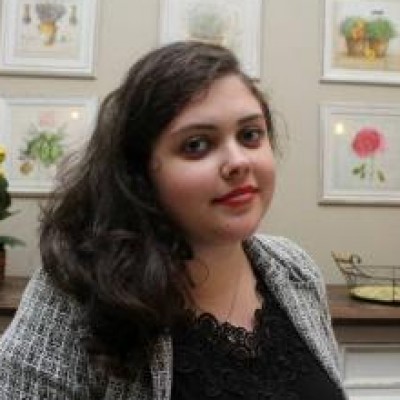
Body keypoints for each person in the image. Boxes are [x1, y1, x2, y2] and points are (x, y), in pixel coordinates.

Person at [0, 41, 347, 399]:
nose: (238, 161)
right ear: (139, 172)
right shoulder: (79, 286)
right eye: (196, 145)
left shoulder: (296, 270)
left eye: (250, 135)